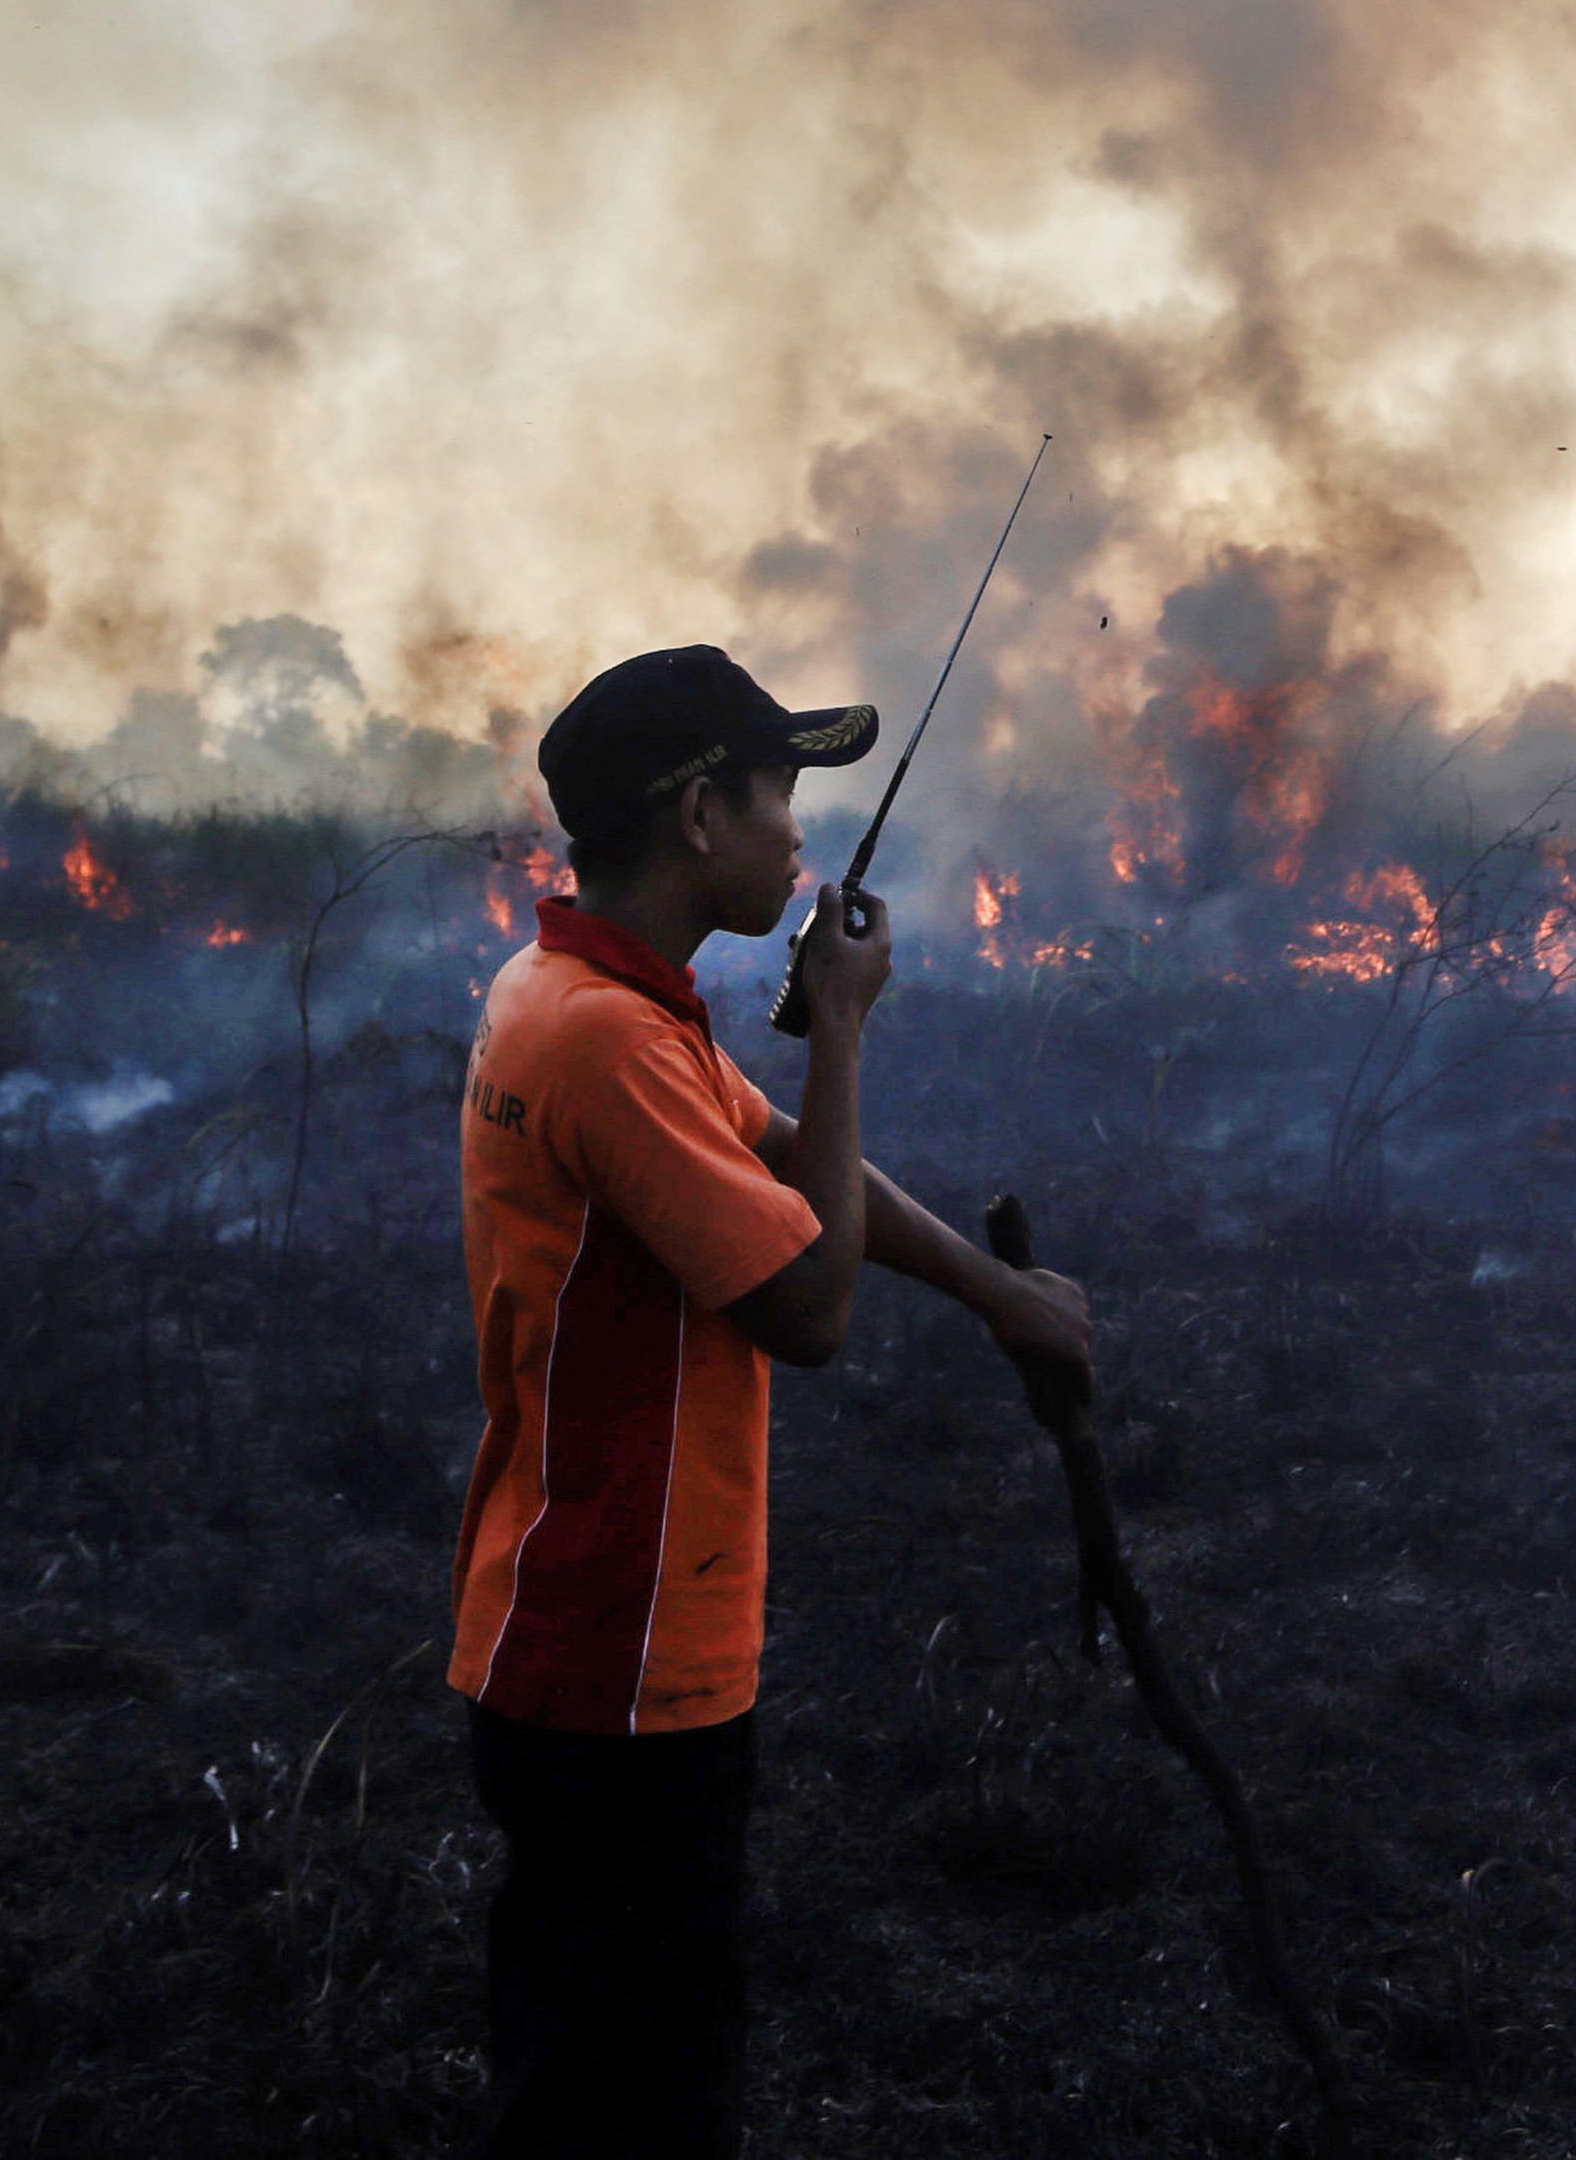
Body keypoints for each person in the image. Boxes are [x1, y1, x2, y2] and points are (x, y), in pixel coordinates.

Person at [447, 642, 1096, 2157]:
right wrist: (851, 1018)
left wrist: (1004, 1299)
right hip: (617, 1654)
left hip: (563, 1622)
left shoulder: (587, 995)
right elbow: (810, 1305)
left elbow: (793, 1152)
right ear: (696, 816)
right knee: (637, 2100)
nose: (802, 836)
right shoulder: (610, 1042)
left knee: (586, 2063)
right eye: (779, 796)